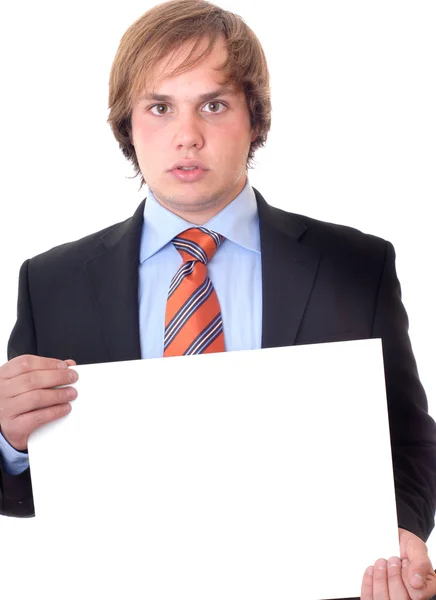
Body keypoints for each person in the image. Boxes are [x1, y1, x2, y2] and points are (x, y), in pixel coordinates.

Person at [0, 1, 435, 598]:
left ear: (255, 118)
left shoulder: (357, 266)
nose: (187, 136)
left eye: (213, 104)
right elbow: (23, 493)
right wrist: (9, 440)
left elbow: (409, 442)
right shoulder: (51, 283)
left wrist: (405, 531)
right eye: (159, 107)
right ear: (127, 125)